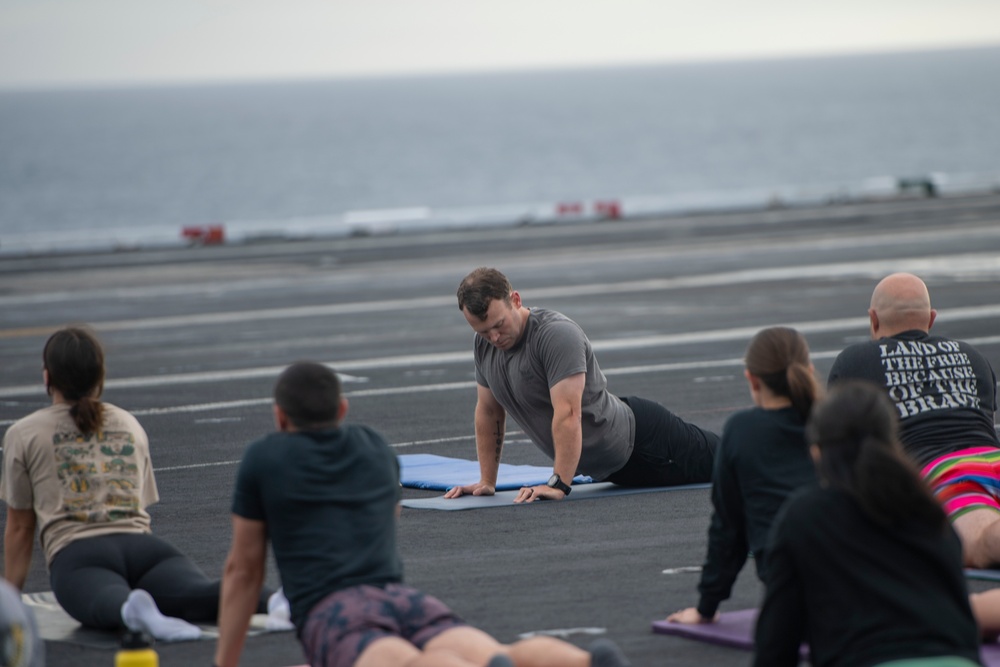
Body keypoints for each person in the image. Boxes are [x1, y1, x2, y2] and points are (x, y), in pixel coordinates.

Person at [215, 361, 632, 667]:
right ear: (341, 410)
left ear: (279, 416)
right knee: (492, 653)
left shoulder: (265, 458)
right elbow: (385, 515)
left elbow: (244, 571)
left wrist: (225, 662)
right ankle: (584, 662)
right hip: (399, 597)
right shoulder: (374, 447)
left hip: (332, 609)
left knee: (404, 662)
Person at [0, 326, 273, 641]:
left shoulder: (23, 433)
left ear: (47, 378)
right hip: (146, 550)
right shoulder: (129, 423)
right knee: (199, 595)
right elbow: (138, 507)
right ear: (100, 377)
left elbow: (20, 529)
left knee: (104, 599)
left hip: (78, 553)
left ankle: (132, 609)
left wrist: (10, 603)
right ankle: (272, 600)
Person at [754, 381, 981, 667]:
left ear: (817, 452)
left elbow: (776, 643)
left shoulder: (805, 516)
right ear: (892, 441)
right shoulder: (928, 510)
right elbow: (962, 623)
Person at [444, 267, 717, 504]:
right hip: (615, 468)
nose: (493, 337)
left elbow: (568, 413)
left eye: (499, 324)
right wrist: (487, 482)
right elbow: (489, 412)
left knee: (736, 461)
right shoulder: (484, 346)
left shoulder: (555, 335)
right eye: (482, 331)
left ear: (515, 300)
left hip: (645, 445)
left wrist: (559, 484)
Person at [828, 272, 1000, 567]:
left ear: (874, 319)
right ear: (931, 319)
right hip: (991, 457)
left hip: (942, 472)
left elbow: (835, 446)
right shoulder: (973, 356)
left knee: (980, 548)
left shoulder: (855, 360)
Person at [665, 327, 819, 625]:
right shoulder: (843, 419)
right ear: (809, 370)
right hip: (869, 580)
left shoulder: (743, 431)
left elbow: (728, 529)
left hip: (793, 589)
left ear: (752, 379)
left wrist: (706, 607)